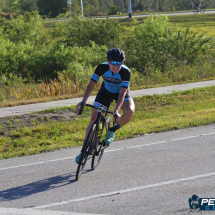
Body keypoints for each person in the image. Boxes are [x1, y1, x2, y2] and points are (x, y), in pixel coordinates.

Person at [75, 48, 135, 163]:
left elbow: (122, 93)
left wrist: (116, 110)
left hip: (120, 94)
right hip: (105, 92)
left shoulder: (125, 72)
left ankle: (112, 130)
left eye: (119, 63)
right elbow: (91, 85)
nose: (117, 66)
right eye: (114, 63)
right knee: (93, 118)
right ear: (108, 62)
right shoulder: (101, 67)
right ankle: (83, 151)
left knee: (130, 111)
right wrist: (83, 101)